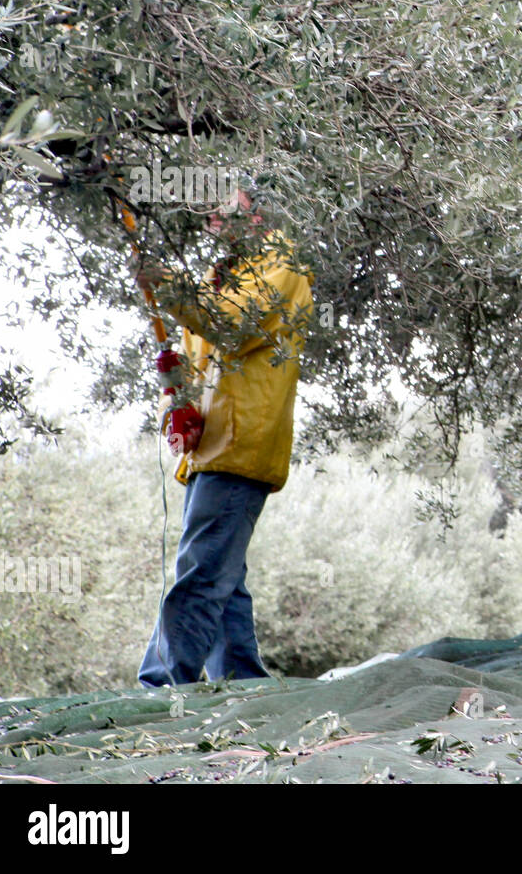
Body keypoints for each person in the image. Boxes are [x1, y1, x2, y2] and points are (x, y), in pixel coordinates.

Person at [137, 191, 313, 686]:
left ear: (257, 211)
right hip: (213, 447)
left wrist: (167, 284)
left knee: (202, 573)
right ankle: (243, 684)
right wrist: (179, 403)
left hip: (241, 445)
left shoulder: (283, 264)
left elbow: (231, 326)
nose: (212, 220)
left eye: (223, 210)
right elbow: (199, 357)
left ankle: (161, 686)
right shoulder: (225, 275)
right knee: (223, 579)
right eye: (210, 213)